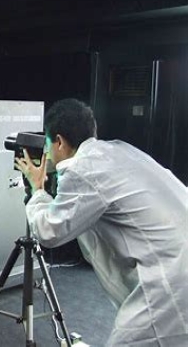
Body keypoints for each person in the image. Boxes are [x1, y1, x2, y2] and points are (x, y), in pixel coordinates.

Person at [15, 98, 188, 346]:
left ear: (59, 141)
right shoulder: (120, 150)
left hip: (172, 277)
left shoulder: (82, 169)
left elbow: (49, 230)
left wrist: (38, 189)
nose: (47, 153)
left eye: (47, 145)